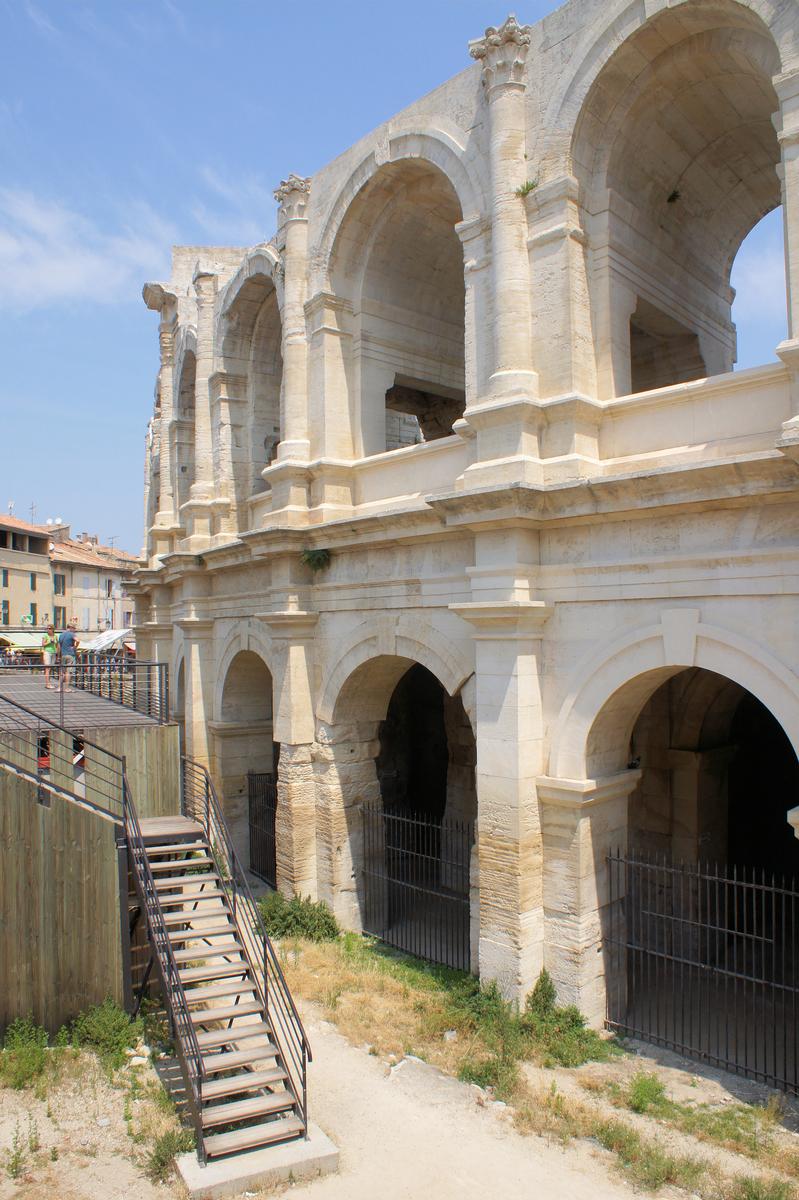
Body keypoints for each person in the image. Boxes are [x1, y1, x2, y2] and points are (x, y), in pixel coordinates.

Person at [58, 623, 79, 690]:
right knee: (68, 672)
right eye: (74, 628)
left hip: (63, 655)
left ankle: (59, 688)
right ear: (71, 628)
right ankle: (66, 688)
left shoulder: (61, 635)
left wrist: (58, 656)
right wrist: (75, 647)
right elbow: (78, 640)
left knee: (62, 672)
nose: (74, 630)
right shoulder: (71, 634)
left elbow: (58, 647)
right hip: (70, 655)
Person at [41, 625, 58, 689]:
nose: (48, 629)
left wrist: (58, 654)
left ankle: (48, 683)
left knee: (50, 668)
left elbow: (57, 645)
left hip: (53, 653)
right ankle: (47, 684)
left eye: (49, 628)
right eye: (47, 628)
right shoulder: (45, 636)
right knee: (47, 668)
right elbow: (43, 644)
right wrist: (49, 642)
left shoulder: (56, 636)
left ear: (53, 629)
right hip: (47, 652)